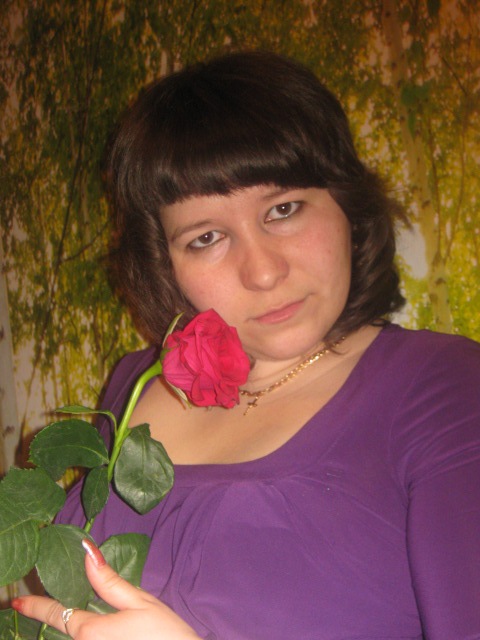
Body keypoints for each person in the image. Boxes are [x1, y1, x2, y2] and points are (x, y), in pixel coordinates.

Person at [12, 51, 480, 640]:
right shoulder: (134, 382)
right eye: (207, 237)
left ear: (346, 205)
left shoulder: (447, 389)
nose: (262, 271)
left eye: (283, 210)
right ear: (164, 262)